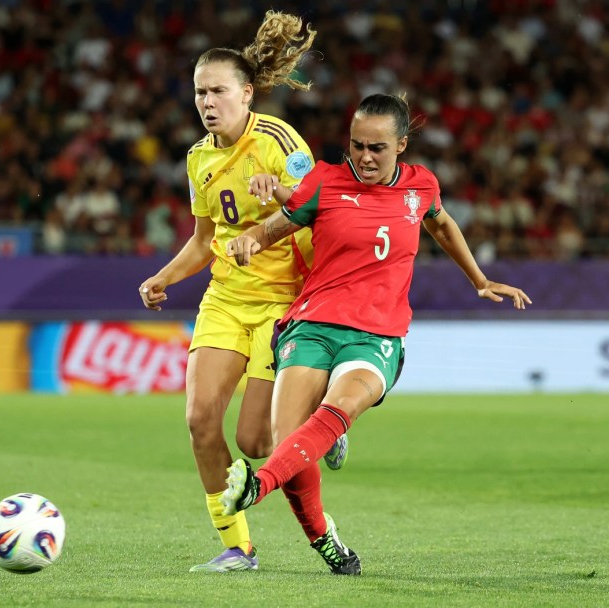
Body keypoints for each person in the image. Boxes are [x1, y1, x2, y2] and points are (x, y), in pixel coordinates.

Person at [221, 93, 532, 575]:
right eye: (356, 145)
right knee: (287, 439)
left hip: (377, 335)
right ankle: (323, 538)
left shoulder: (421, 187)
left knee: (331, 412)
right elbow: (276, 226)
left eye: (377, 148)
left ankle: (258, 485)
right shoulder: (324, 181)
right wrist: (249, 239)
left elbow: (443, 225)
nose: (364, 157)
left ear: (401, 145)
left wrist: (480, 280)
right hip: (313, 324)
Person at [138, 11, 347, 573]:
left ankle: (321, 423)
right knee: (200, 420)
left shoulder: (280, 139)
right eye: (200, 92)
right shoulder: (197, 158)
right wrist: (164, 276)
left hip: (284, 302)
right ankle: (238, 547)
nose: (208, 102)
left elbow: (323, 207)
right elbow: (206, 240)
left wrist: (281, 189)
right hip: (226, 300)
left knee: (256, 441)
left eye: (219, 91)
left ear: (246, 92)